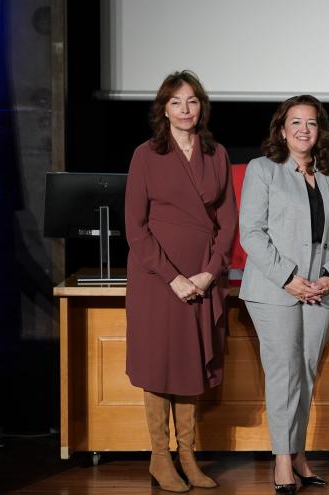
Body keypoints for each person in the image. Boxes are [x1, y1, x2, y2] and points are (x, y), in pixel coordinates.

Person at [125, 70, 236, 492]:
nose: (185, 109)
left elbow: (227, 222)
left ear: (201, 106)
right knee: (159, 363)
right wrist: (173, 277)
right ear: (163, 109)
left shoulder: (217, 153)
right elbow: (135, 228)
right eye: (176, 102)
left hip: (203, 275)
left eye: (192, 101)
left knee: (192, 362)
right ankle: (159, 457)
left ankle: (187, 455)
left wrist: (209, 272)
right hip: (157, 277)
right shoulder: (145, 154)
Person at [239, 95, 329, 495]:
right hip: (274, 289)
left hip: (319, 289)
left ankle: (299, 454)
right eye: (296, 122)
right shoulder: (263, 169)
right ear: (282, 129)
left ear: (320, 129)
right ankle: (282, 461)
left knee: (304, 372)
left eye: (311, 123)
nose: (304, 129)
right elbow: (251, 232)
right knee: (284, 371)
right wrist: (289, 278)